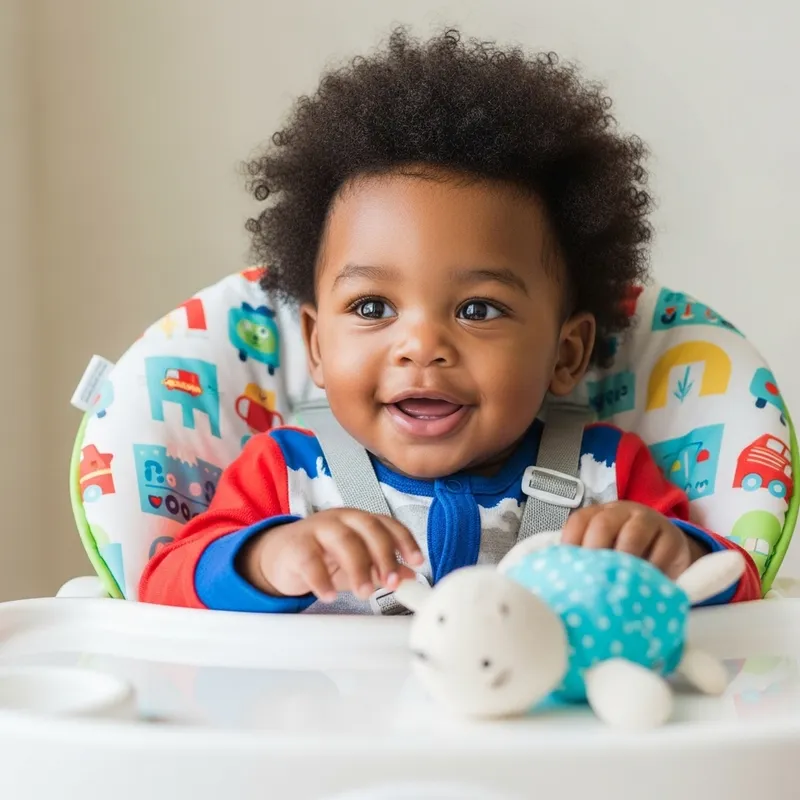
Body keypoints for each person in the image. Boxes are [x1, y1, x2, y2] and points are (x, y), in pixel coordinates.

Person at [139, 27, 760, 612]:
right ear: (317, 346)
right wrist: (267, 558)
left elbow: (735, 584)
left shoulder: (606, 474)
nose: (422, 346)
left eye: (477, 309)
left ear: (566, 354)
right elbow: (164, 583)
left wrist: (669, 552)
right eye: (373, 307)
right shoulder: (287, 474)